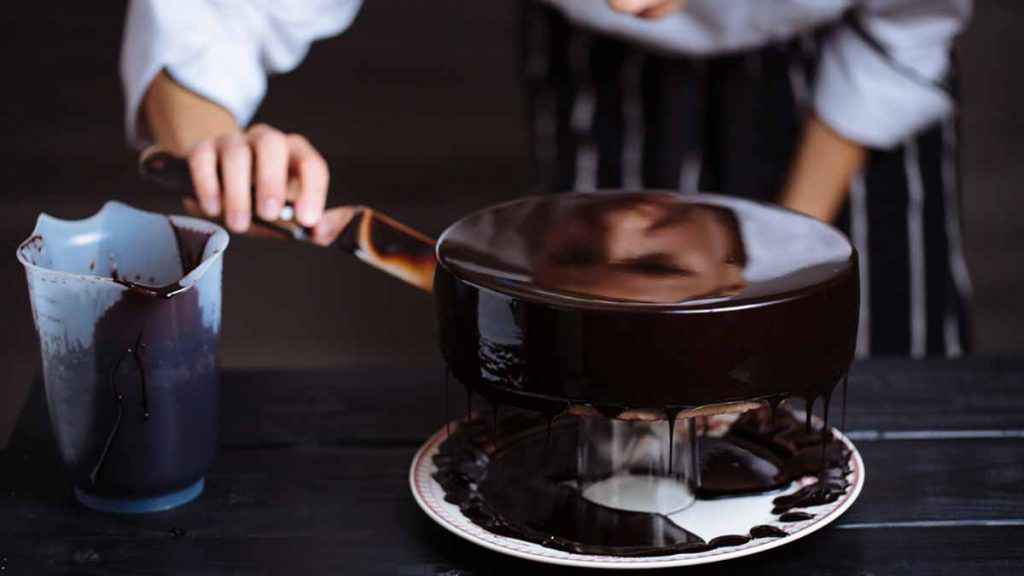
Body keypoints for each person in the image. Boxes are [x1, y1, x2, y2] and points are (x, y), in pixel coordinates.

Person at [121, 0, 973, 357]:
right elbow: (213, 22)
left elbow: (905, 27)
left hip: (844, 51)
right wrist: (218, 150)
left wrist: (785, 280)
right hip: (599, 77)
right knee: (583, 365)